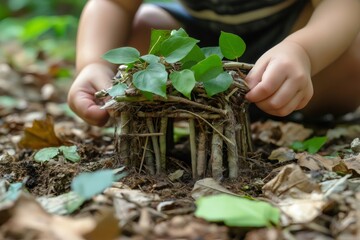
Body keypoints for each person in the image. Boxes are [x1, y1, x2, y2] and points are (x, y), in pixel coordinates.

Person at [67, 0, 360, 126]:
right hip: (200, 46)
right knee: (148, 30)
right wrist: (94, 64)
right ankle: (203, 105)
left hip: (297, 31)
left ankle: (285, 99)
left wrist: (304, 51)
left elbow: (342, 6)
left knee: (354, 56)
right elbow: (114, 4)